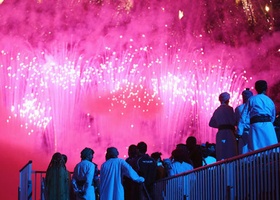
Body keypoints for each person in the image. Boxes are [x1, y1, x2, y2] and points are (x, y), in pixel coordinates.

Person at [237, 80, 278, 151]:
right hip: (268, 126)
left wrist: (239, 132)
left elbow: (243, 116)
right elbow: (273, 116)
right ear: (266, 88)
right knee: (271, 148)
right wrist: (268, 123)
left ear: (255, 88)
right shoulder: (269, 100)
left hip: (256, 126)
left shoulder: (251, 99)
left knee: (256, 149)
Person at [209, 92, 238, 161]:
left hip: (220, 133)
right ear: (227, 100)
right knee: (231, 152)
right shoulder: (230, 109)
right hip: (229, 133)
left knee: (221, 152)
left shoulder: (217, 110)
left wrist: (220, 125)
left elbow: (211, 123)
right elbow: (234, 121)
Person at [235, 88, 253, 154]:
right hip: (253, 131)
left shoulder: (238, 108)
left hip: (243, 133)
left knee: (243, 152)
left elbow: (236, 121)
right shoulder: (254, 107)